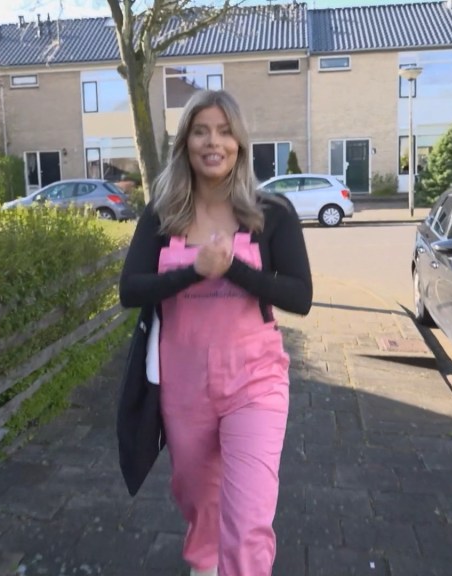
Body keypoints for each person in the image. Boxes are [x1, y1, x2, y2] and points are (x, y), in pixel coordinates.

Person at [119, 89, 313, 576]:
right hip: (183, 388)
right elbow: (130, 289)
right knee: (200, 505)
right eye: (201, 131)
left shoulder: (272, 213)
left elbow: (300, 296)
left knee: (247, 522)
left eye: (225, 132)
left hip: (255, 382)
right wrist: (194, 271)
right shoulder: (162, 214)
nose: (213, 142)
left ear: (240, 142)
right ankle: (204, 566)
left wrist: (233, 269)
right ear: (185, 142)